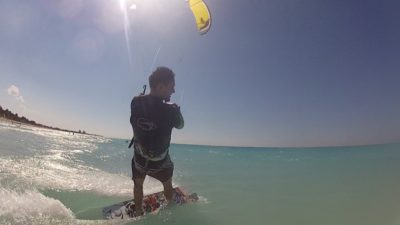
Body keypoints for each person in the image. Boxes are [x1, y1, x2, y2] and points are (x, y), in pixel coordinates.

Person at [129, 67, 184, 216]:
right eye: (171, 87)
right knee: (167, 183)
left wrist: (142, 97)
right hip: (159, 162)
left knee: (138, 184)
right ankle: (170, 206)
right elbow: (181, 125)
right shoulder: (171, 110)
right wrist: (176, 110)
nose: (173, 91)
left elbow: (146, 107)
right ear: (161, 86)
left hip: (140, 159)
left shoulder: (135, 102)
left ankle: (139, 211)